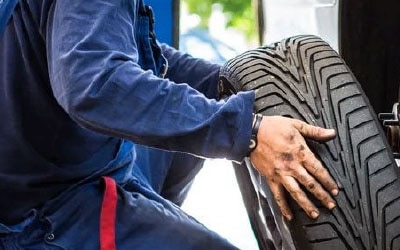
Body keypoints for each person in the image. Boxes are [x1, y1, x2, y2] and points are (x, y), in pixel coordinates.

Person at [0, 0, 339, 249]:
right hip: (39, 213)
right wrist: (247, 133)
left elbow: (123, 48)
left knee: (182, 138)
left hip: (51, 169)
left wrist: (227, 84)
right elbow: (96, 85)